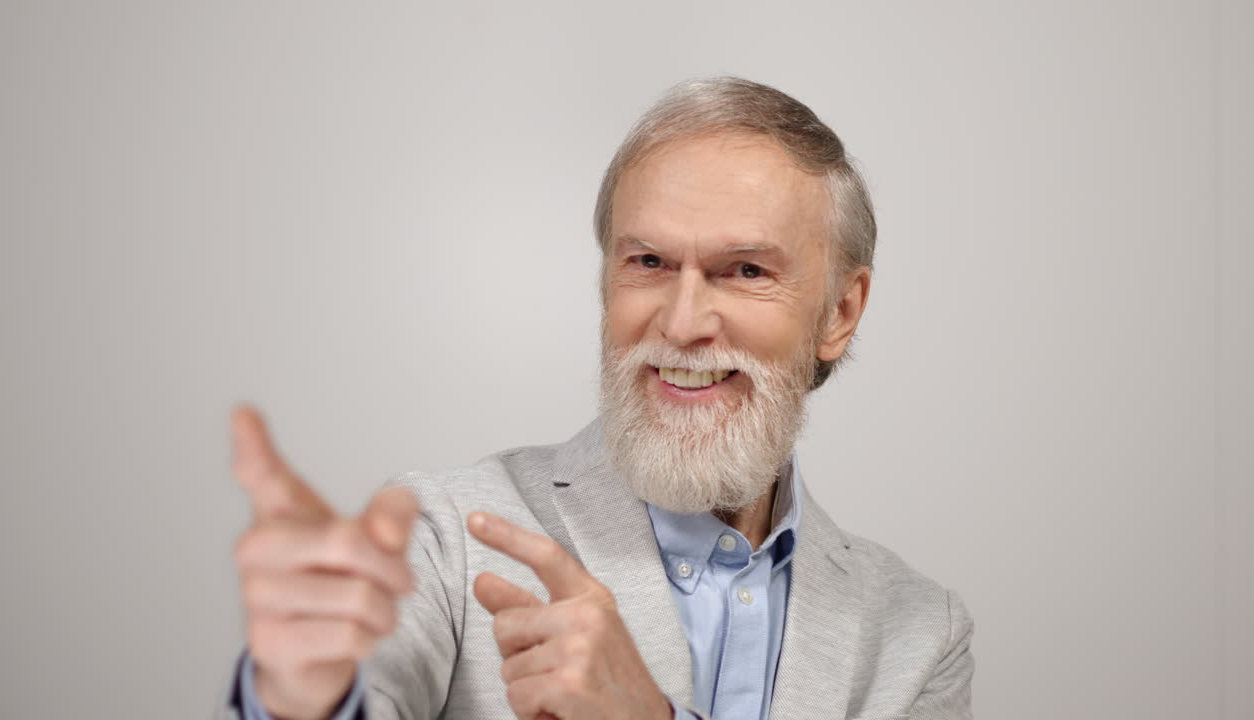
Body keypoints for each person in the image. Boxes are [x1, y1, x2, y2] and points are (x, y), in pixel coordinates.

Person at [217, 76, 975, 720]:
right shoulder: (446, 535)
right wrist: (304, 695)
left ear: (840, 312)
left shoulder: (918, 635)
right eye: (648, 262)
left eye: (745, 271)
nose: (682, 323)